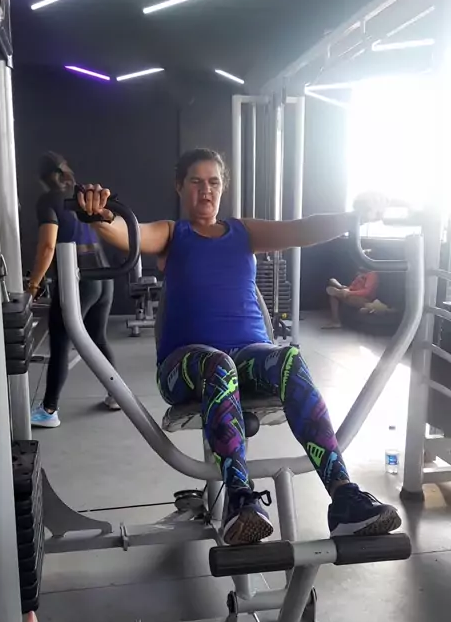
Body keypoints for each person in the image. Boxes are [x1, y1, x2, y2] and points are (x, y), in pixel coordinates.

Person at [76, 148, 401, 546]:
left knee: (287, 359)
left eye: (213, 182)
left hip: (247, 356)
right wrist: (99, 216)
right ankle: (239, 500)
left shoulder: (243, 232)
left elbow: (301, 229)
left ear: (223, 188)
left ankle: (344, 496)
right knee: (218, 364)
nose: (206, 190)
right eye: (196, 181)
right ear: (180, 186)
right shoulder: (173, 234)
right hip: (185, 365)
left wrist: (354, 217)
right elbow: (131, 234)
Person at [27, 152, 120, 428]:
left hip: (78, 279)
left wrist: (33, 285)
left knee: (60, 341)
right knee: (98, 337)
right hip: (103, 276)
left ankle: (48, 409)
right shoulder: (80, 195)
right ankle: (116, 396)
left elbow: (48, 246)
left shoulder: (48, 201)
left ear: (44, 178)